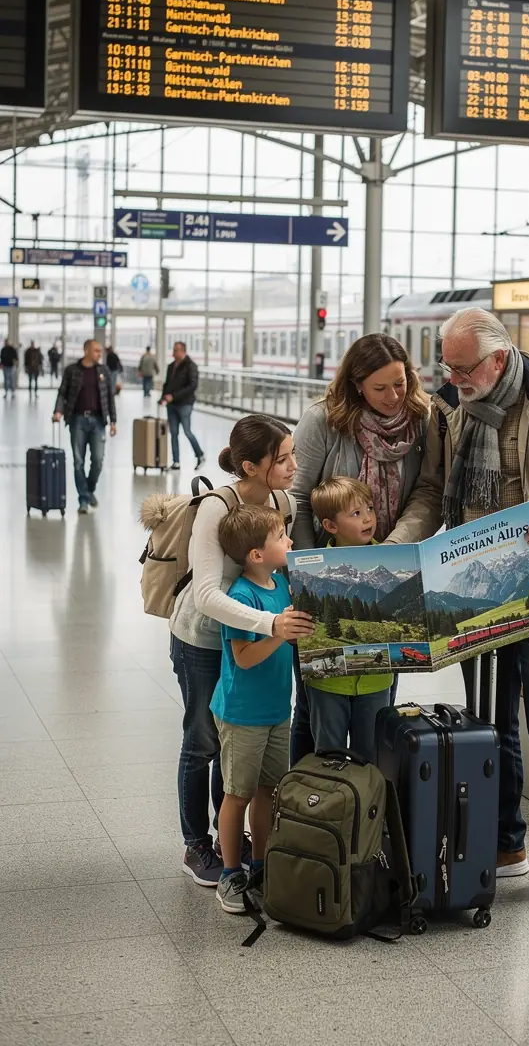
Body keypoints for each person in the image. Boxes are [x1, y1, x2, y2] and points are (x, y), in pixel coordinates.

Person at [387, 307, 529, 913]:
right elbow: (434, 493)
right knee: (491, 719)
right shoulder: (452, 410)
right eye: (447, 365)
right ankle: (505, 839)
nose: (452, 377)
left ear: (497, 359)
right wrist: (396, 547)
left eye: (462, 367)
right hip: (477, 588)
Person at [170, 414, 309, 888]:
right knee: (205, 739)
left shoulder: (282, 503)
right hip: (204, 637)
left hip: (254, 635)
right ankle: (196, 845)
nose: (293, 465)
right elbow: (208, 594)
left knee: (235, 753)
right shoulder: (217, 506)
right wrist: (271, 623)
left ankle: (228, 836)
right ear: (250, 466)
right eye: (282, 458)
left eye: (292, 454)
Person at [290, 333, 429, 763]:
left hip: (392, 572)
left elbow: (427, 492)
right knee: (314, 706)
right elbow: (297, 497)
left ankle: (366, 811)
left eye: (400, 383)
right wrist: (312, 573)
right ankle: (309, 808)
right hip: (324, 576)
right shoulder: (323, 421)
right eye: (380, 388)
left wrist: (389, 549)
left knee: (379, 695)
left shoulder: (422, 421)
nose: (394, 396)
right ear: (356, 385)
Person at [211, 504, 312, 913]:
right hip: (241, 715)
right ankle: (230, 872)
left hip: (276, 710)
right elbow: (245, 658)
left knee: (269, 791)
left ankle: (261, 864)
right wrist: (279, 631)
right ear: (257, 554)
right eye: (281, 537)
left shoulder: (282, 585)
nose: (290, 541)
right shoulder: (241, 596)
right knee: (237, 793)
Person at [305, 477, 393, 763]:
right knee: (327, 756)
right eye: (356, 514)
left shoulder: (389, 560)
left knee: (370, 759)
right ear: (330, 526)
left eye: (369, 508)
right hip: (326, 684)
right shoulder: (314, 569)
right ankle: (329, 807)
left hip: (377, 683)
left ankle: (367, 807)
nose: (368, 518)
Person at [53, 339, 117, 514]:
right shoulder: (72, 371)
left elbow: (109, 398)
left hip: (98, 422)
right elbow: (62, 393)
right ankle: (83, 499)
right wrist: (58, 411)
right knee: (78, 462)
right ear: (86, 350)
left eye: (100, 351)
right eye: (96, 350)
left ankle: (88, 491)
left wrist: (113, 422)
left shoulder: (103, 371)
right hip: (77, 421)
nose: (99, 354)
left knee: (97, 460)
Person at [160, 341, 205, 470]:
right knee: (173, 433)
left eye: (176, 350)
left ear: (183, 351)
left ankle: (199, 454)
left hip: (185, 404)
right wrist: (163, 397)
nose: (173, 353)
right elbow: (167, 384)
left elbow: (192, 386)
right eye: (173, 350)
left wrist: (174, 396)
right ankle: (176, 462)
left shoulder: (191, 366)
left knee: (187, 431)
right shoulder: (171, 366)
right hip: (172, 405)